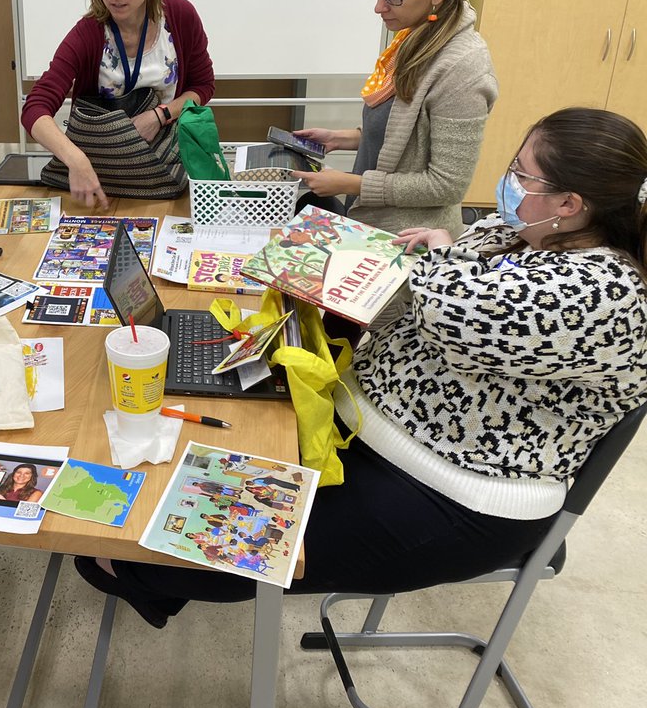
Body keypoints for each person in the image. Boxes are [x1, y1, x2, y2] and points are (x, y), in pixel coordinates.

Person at [75, 107, 647, 629]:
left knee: (160, 546)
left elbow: (441, 304)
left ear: (571, 205)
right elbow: (458, 267)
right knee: (198, 457)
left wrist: (357, 256)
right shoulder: (528, 234)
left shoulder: (602, 293)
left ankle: (153, 581)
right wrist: (440, 251)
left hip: (457, 497)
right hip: (367, 433)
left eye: (523, 175)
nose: (509, 182)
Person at [293, 0, 498, 238]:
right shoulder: (415, 34)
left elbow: (445, 186)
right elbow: (409, 136)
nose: (379, 6)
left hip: (409, 239)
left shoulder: (464, 70)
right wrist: (346, 138)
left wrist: (353, 183)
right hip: (371, 223)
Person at [19, 0, 215, 209]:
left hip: (166, 170)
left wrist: (159, 116)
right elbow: (35, 107)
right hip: (101, 183)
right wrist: (75, 160)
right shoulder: (88, 33)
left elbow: (202, 86)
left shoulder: (181, 17)